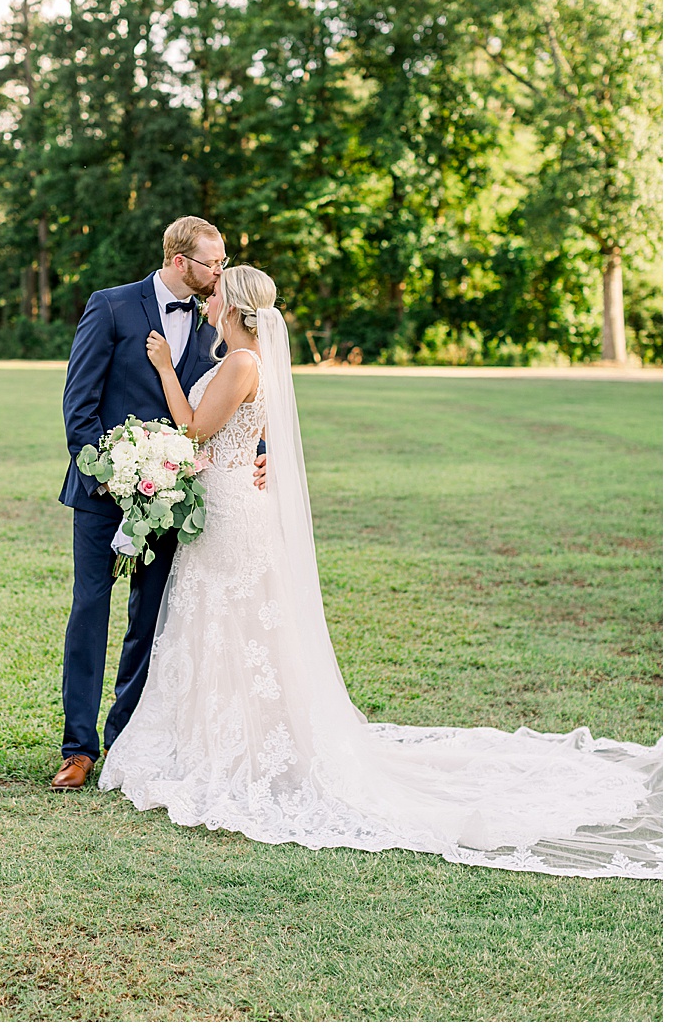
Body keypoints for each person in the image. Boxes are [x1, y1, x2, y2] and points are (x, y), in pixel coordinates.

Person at [100, 265, 661, 878]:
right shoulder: (248, 357)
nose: (207, 304)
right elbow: (238, 437)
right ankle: (228, 740)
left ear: (233, 306)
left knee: (232, 623)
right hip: (230, 502)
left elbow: (194, 425)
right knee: (230, 626)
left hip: (231, 512)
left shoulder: (241, 362)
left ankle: (241, 749)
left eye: (215, 298)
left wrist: (160, 367)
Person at [54, 217, 234, 791]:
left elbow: (231, 401)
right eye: (213, 263)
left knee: (151, 619)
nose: (220, 273)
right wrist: (105, 473)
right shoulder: (111, 306)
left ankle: (129, 737)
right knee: (90, 611)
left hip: (173, 498)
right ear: (180, 262)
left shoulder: (215, 324)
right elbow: (79, 402)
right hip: (103, 492)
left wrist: (259, 450)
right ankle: (78, 749)